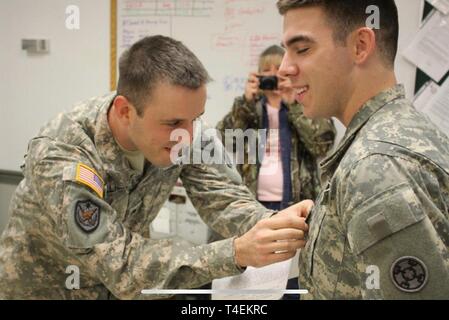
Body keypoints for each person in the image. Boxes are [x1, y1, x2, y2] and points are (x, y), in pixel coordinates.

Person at [0, 35, 312, 300]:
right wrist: (236, 252)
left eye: (196, 118)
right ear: (125, 111)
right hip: (45, 288)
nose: (187, 136)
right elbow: (119, 261)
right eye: (173, 122)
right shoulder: (63, 151)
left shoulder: (186, 132)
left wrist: (278, 226)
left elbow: (225, 199)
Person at [277, 0, 449, 299]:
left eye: (302, 49)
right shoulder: (399, 131)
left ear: (360, 45)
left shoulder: (376, 166)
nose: (284, 68)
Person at [216, 45, 335, 299]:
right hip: (253, 204)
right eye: (265, 72)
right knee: (255, 279)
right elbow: (224, 139)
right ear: (257, 77)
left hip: (295, 205)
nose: (272, 77)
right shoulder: (250, 109)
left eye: (277, 71)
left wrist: (292, 102)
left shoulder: (305, 104)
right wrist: (245, 103)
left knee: (292, 277)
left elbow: (322, 143)